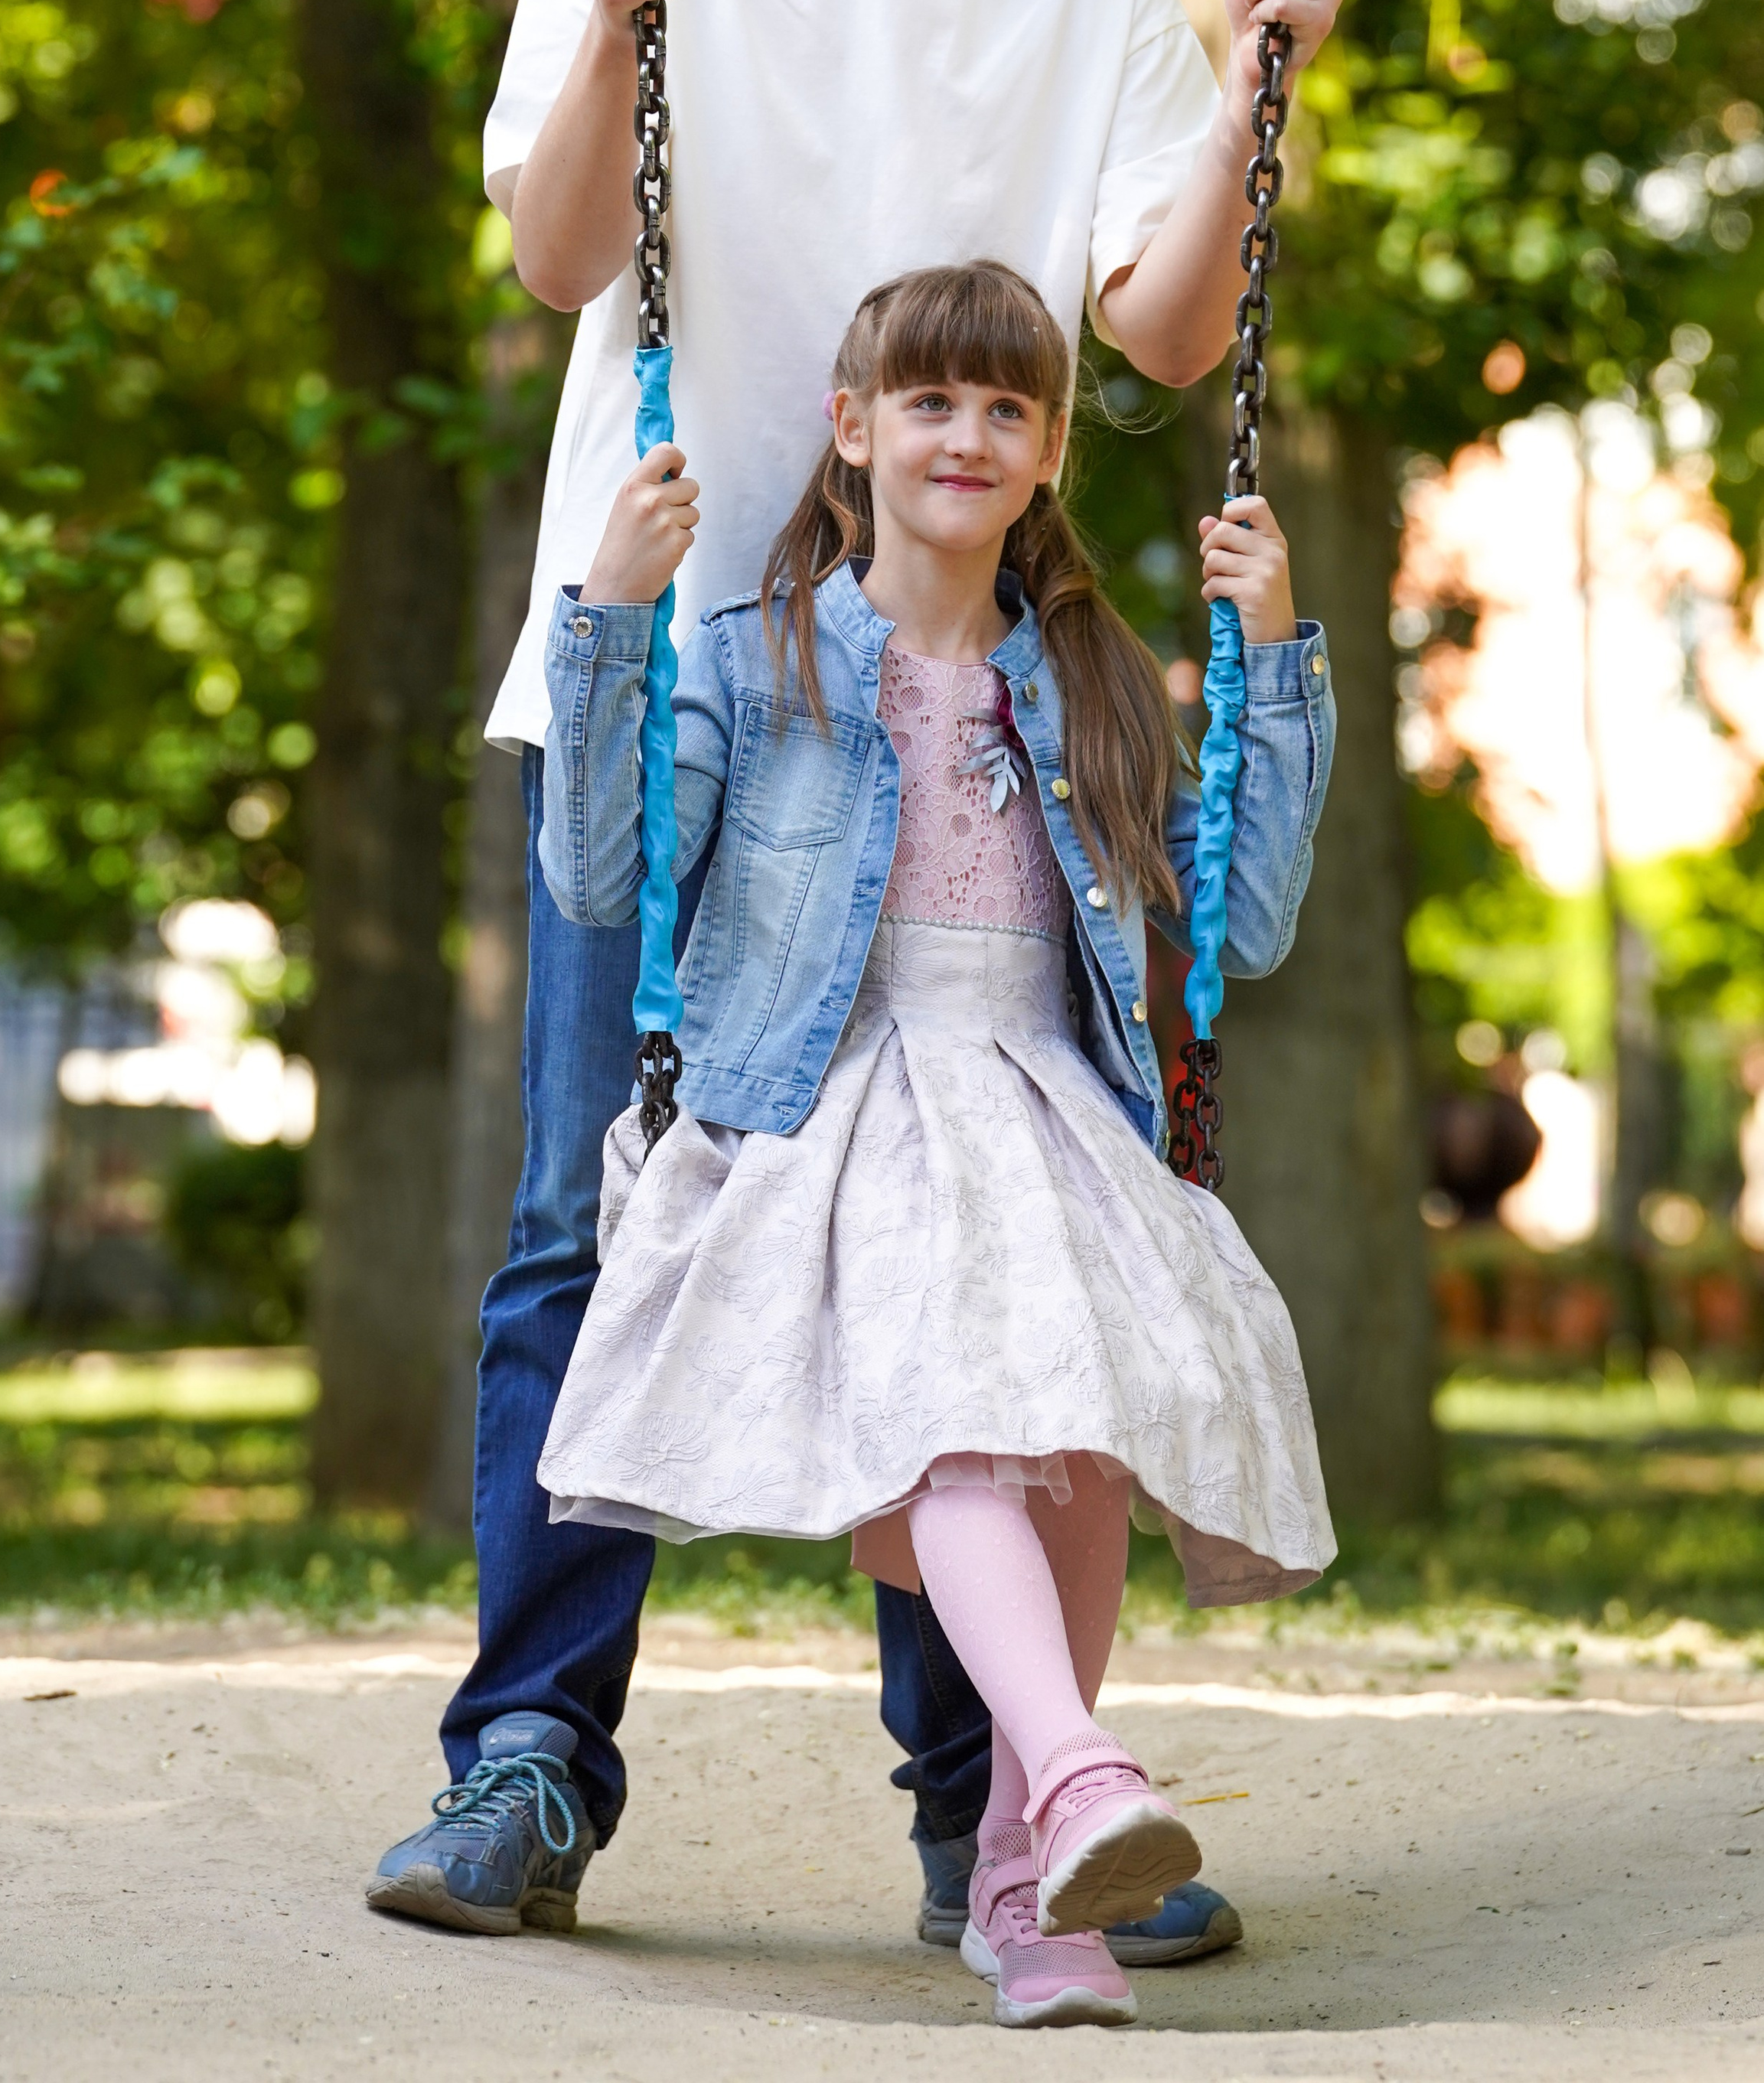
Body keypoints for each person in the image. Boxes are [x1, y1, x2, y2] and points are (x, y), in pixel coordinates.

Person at [366, 0, 1348, 1950]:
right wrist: (607, 23)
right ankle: (529, 1765)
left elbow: (1154, 333)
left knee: (980, 1250)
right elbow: (556, 249)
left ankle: (990, 1801)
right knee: (595, 1230)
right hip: (688, 652)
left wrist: (1255, 89)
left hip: (950, 674)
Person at [533, 259, 1336, 2029]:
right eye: (927, 401)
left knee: (1085, 1455)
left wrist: (1271, 661)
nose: (962, 434)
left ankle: (1021, 1904)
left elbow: (1240, 927)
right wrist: (605, 611)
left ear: (1047, 452)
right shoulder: (752, 664)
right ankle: (1071, 1777)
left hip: (1042, 1100)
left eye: (1003, 408)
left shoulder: (1095, 679)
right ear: (851, 430)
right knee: (968, 1412)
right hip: (834, 1108)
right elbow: (601, 881)